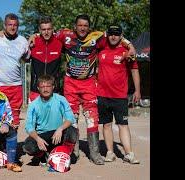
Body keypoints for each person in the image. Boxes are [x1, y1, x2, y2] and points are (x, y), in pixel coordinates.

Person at [53, 14, 136, 165]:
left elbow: (117, 36)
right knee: (72, 119)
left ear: (89, 27)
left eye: (85, 25)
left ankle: (95, 153)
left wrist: (130, 45)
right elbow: (47, 33)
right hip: (70, 83)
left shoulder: (97, 37)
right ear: (75, 26)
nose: (82, 28)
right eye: (80, 25)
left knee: (92, 118)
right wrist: (34, 35)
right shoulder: (64, 35)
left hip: (89, 84)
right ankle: (73, 151)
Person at [97, 25, 140, 164]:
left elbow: (134, 71)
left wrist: (137, 90)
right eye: (111, 34)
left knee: (123, 124)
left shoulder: (127, 52)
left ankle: (129, 154)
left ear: (121, 36)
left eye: (116, 34)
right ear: (107, 35)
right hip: (102, 95)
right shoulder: (101, 49)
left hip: (120, 96)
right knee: (107, 125)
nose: (113, 37)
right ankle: (110, 153)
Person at [23, 74, 77, 167]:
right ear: (38, 88)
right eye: (42, 86)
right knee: (28, 146)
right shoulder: (33, 105)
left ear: (53, 87)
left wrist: (60, 129)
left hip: (58, 135)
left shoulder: (61, 100)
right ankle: (43, 157)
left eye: (48, 86)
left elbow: (70, 118)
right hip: (43, 137)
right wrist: (37, 139)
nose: (45, 89)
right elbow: (29, 127)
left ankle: (64, 154)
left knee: (73, 131)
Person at [0, 13, 30, 128]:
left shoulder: (22, 41)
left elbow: (27, 57)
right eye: (9, 24)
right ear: (4, 25)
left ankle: (11, 146)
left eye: (15, 25)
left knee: (14, 118)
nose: (12, 27)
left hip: (16, 86)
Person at [28, 16, 63, 102]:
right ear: (39, 30)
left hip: (54, 90)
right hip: (36, 90)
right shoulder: (33, 42)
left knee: (54, 115)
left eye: (49, 29)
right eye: (43, 30)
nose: (46, 32)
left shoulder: (60, 42)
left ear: (53, 29)